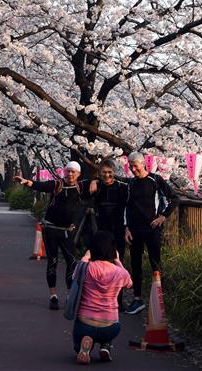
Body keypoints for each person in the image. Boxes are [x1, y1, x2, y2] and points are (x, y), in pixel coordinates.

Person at [14, 161, 90, 310]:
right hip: (51, 229)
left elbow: (99, 183)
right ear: (64, 171)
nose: (70, 174)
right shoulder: (57, 185)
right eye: (68, 171)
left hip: (67, 231)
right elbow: (41, 186)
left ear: (79, 174)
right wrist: (26, 182)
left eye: (73, 172)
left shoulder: (81, 187)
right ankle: (53, 296)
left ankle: (70, 295)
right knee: (52, 262)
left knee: (72, 262)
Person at [124, 151, 178, 315]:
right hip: (134, 229)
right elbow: (127, 206)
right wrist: (126, 227)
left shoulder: (155, 179)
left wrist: (163, 216)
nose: (133, 169)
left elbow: (174, 198)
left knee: (155, 262)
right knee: (135, 264)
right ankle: (137, 299)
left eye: (135, 165)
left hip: (152, 228)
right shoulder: (131, 183)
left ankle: (158, 299)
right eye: (130, 166)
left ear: (143, 164)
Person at [72, 231, 132, 364]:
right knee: (109, 327)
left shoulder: (86, 268)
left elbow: (74, 276)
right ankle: (106, 346)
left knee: (78, 342)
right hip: (110, 326)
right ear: (112, 250)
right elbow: (129, 283)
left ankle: (83, 348)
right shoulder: (119, 273)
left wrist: (85, 258)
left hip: (85, 323)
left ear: (92, 249)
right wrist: (117, 261)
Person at [89, 159, 128, 310]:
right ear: (100, 174)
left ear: (114, 173)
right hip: (101, 233)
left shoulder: (121, 188)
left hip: (118, 231)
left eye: (110, 173)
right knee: (100, 266)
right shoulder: (96, 187)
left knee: (118, 265)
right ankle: (101, 299)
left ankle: (119, 300)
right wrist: (94, 180)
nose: (107, 175)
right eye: (104, 173)